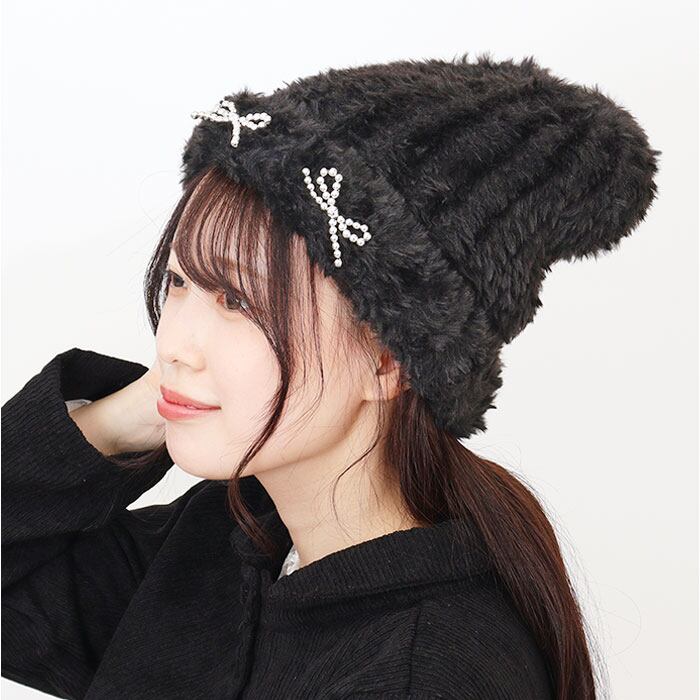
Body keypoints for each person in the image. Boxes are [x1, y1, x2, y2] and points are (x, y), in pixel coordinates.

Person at [2, 52, 660, 699]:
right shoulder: (231, 542)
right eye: (178, 282)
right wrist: (127, 418)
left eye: (237, 301)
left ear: (390, 358)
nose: (174, 344)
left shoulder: (421, 674)